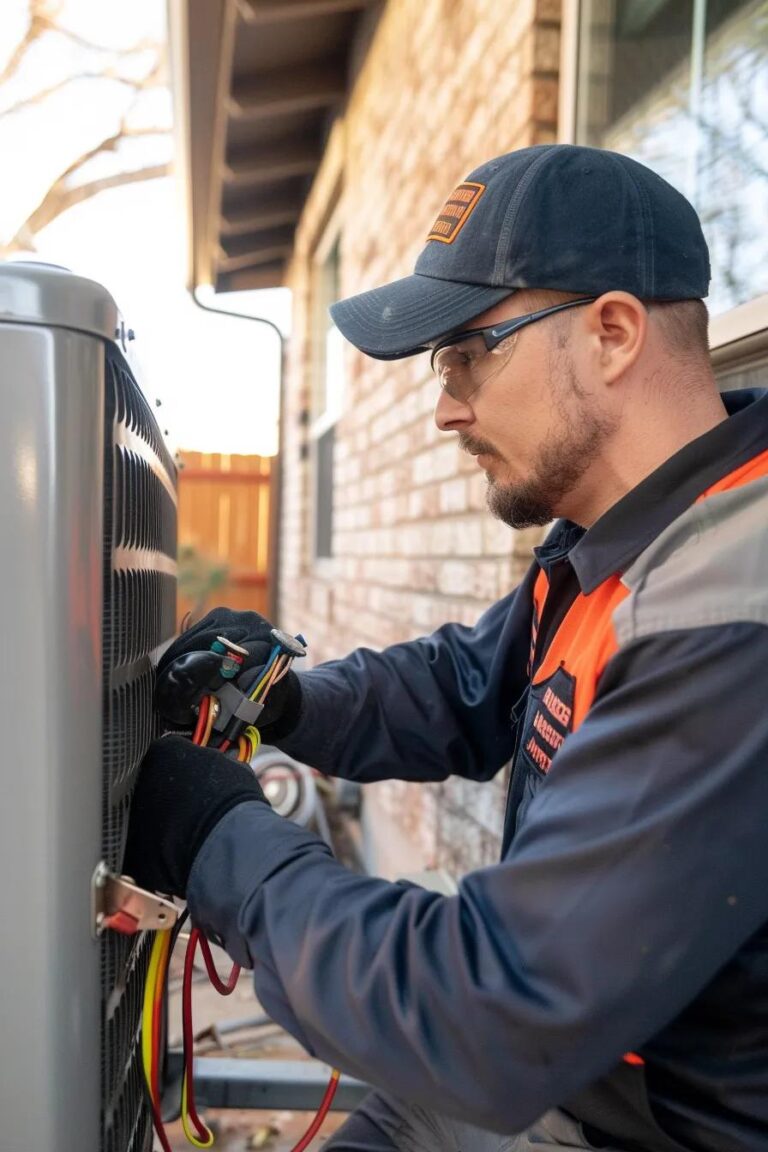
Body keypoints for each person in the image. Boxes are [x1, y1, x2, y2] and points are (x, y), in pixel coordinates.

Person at [125, 144, 768, 1152]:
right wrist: (285, 700)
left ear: (611, 334)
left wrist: (215, 840)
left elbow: (492, 1012)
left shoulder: (732, 612)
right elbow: (468, 684)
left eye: (473, 350)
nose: (446, 406)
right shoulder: (625, 538)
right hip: (577, 1079)